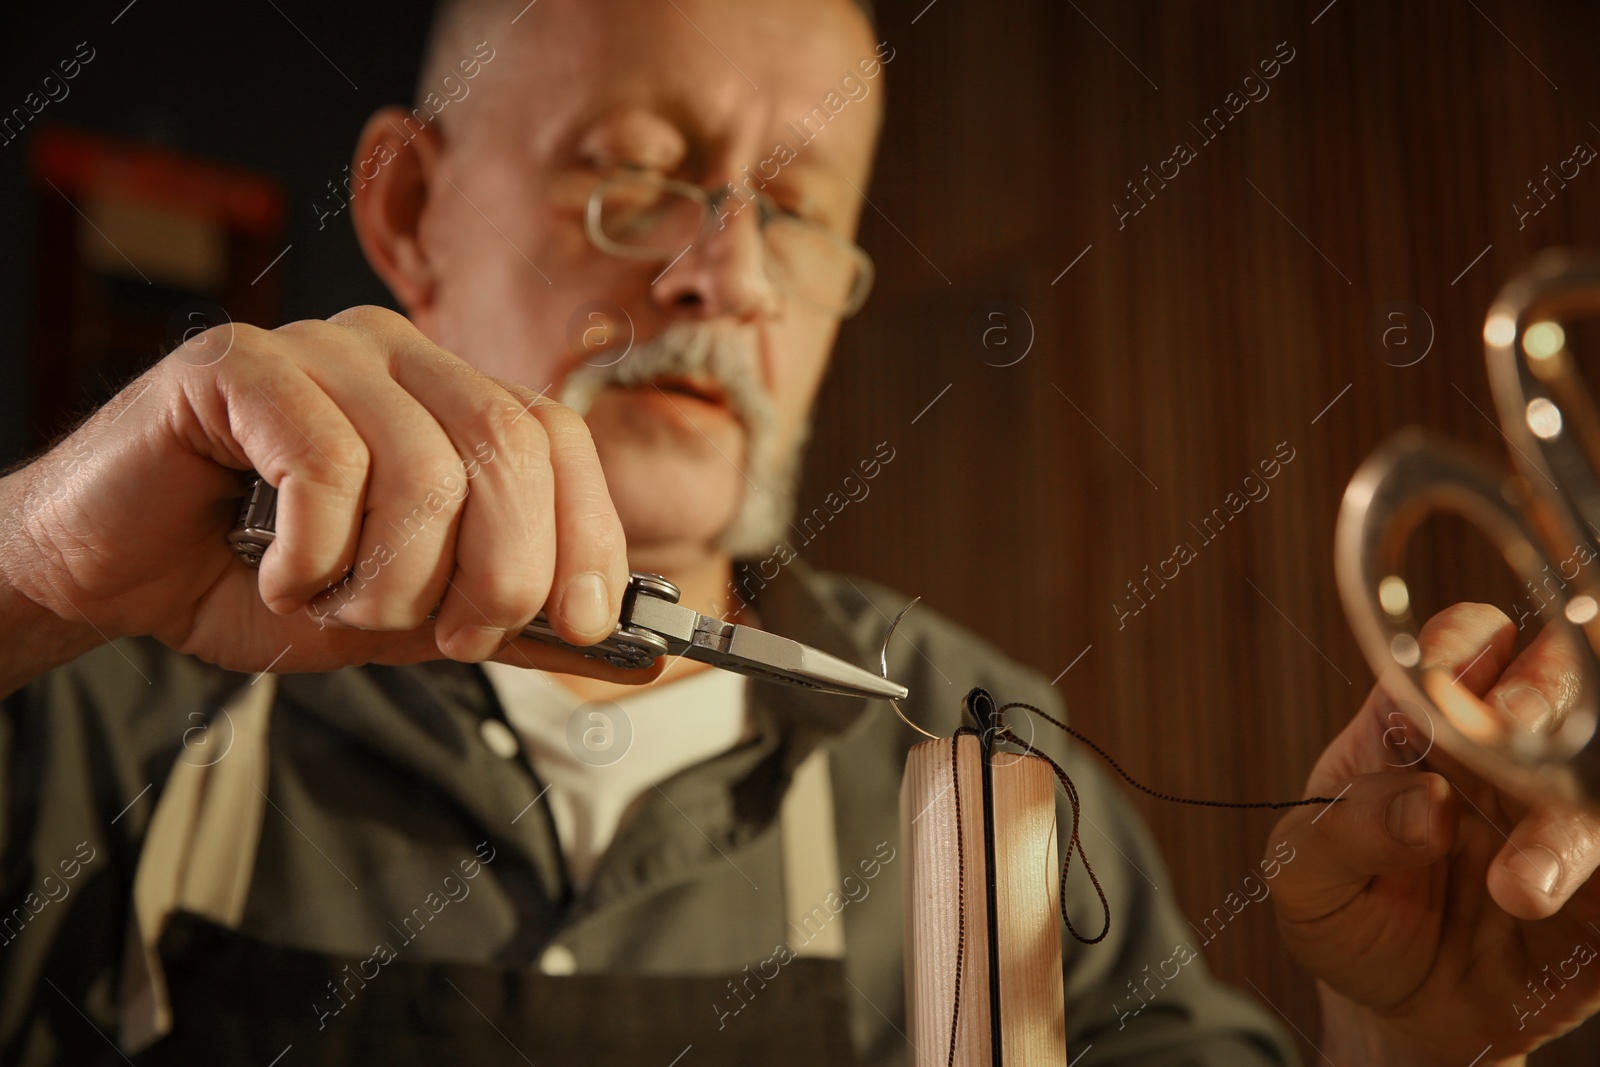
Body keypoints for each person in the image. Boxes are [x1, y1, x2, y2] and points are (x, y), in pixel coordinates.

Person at [0, 0, 1596, 1063]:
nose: (726, 279)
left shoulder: (992, 761)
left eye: (799, 212)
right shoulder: (95, 694)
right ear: (410, 212)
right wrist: (27, 574)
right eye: (634, 179)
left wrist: (1415, 1045)